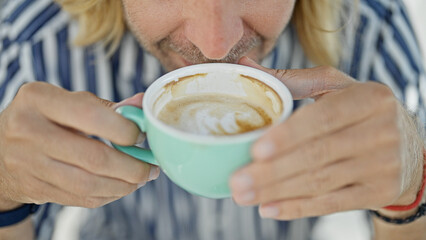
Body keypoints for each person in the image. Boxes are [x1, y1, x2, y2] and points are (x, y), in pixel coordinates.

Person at [0, 0, 425, 239]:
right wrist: (4, 193)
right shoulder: (32, 49)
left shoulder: (373, 30)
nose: (216, 44)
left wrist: (412, 188)